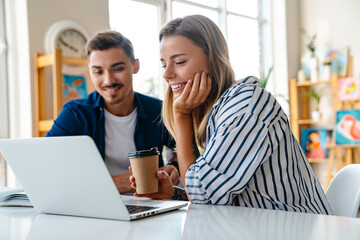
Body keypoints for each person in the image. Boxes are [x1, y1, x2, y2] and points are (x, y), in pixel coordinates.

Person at [130, 15, 332, 214]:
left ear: (213, 59)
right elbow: (221, 195)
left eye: (180, 62)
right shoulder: (221, 109)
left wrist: (181, 114)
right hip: (260, 225)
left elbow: (202, 196)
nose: (166, 75)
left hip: (298, 229)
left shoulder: (246, 105)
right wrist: (173, 194)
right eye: (164, 65)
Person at [46, 30, 179, 193]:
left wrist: (174, 167)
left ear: (135, 66)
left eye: (117, 69)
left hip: (151, 202)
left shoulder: (158, 110)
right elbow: (48, 168)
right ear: (90, 71)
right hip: (95, 204)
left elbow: (184, 148)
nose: (108, 80)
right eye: (98, 71)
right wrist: (114, 184)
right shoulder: (75, 113)